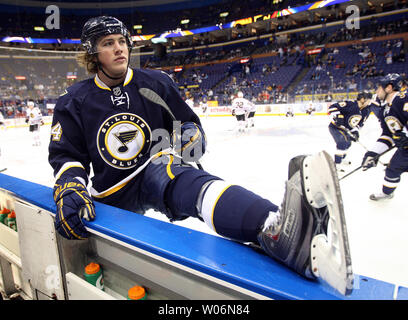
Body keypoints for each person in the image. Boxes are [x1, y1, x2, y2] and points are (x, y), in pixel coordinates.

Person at [48, 16, 353, 296]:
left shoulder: (156, 82)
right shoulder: (73, 101)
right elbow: (67, 155)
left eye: (122, 41)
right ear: (91, 53)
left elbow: (189, 126)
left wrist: (191, 138)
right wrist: (71, 185)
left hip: (154, 168)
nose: (119, 49)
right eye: (107, 43)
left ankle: (273, 226)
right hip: (111, 192)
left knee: (187, 180)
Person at [361, 74, 408, 200]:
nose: (377, 91)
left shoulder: (403, 99)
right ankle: (387, 193)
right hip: (405, 150)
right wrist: (373, 153)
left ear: (389, 88)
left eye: (379, 87)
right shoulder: (386, 110)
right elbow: (388, 135)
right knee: (392, 169)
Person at [327, 92, 370, 172]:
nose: (369, 102)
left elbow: (360, 124)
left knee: (348, 143)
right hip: (336, 127)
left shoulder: (366, 111)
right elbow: (332, 107)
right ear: (362, 99)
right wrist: (338, 116)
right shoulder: (350, 104)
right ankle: (336, 165)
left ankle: (342, 159)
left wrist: (355, 131)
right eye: (368, 100)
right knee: (342, 142)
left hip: (347, 129)